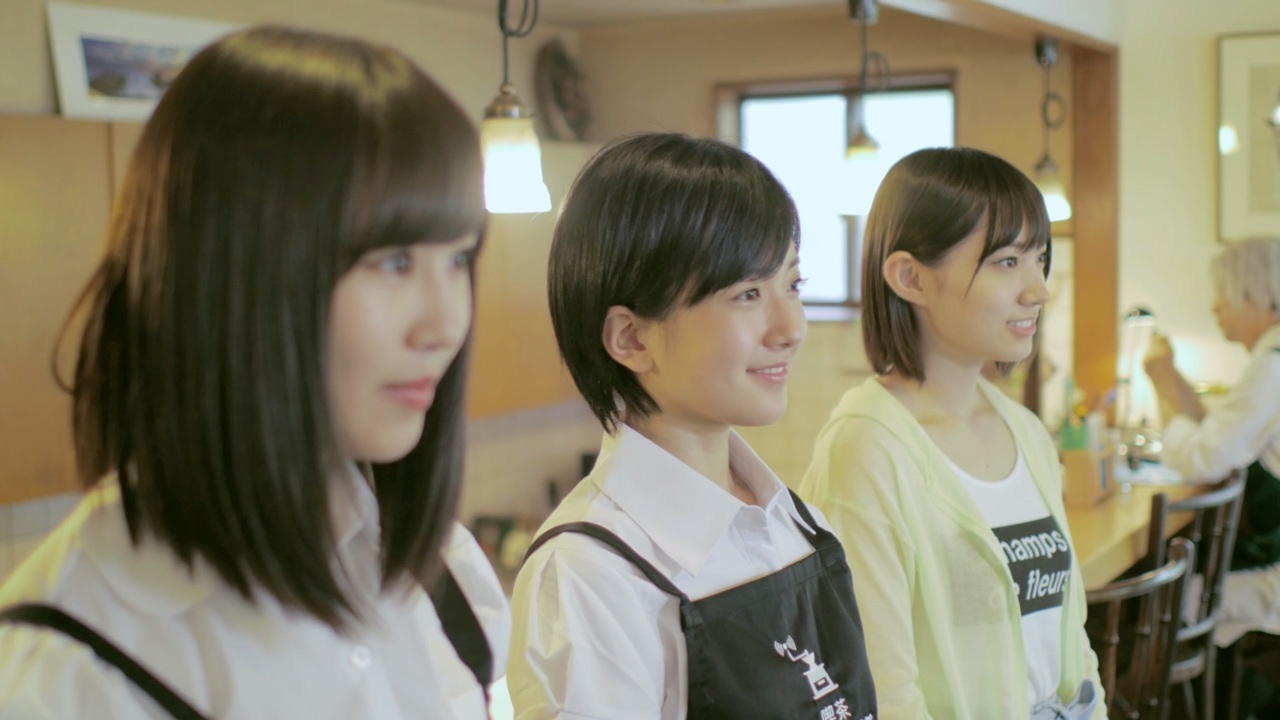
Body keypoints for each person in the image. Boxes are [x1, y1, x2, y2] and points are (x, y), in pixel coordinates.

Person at [0, 25, 507, 719]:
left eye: (457, 260)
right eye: (394, 263)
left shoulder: (433, 566)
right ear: (239, 277)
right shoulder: (68, 672)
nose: (446, 324)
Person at [507, 133, 877, 720]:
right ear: (632, 338)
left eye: (792, 285)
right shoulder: (590, 573)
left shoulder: (796, 522)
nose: (791, 327)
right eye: (748, 293)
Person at [799, 147, 1103, 719]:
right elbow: (883, 688)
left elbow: (1073, 642)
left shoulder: (1026, 432)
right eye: (1006, 262)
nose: (1037, 289)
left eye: (1039, 258)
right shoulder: (866, 450)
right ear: (910, 277)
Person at [1142, 236, 1280, 714]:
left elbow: (1204, 457)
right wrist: (1171, 379)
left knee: (1172, 595)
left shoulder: (1272, 366)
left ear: (1255, 295)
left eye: (1223, 293)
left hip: (1273, 573)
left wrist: (1162, 382)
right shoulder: (1269, 361)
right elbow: (1216, 435)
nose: (1214, 306)